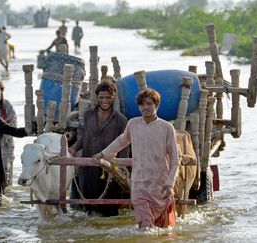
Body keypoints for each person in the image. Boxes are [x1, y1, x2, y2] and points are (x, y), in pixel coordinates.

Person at [93, 88, 179, 229]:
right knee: (145, 224)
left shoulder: (167, 128)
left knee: (161, 227)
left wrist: (170, 183)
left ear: (156, 105)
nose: (145, 107)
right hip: (139, 183)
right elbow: (122, 141)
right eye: (142, 104)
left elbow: (175, 160)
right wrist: (103, 154)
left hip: (160, 185)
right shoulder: (133, 124)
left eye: (149, 104)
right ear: (138, 107)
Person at [69, 80, 129, 217]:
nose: (104, 101)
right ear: (96, 98)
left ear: (114, 97)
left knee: (109, 213)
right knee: (89, 212)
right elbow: (83, 138)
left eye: (108, 97)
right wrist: (73, 149)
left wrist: (121, 169)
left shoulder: (121, 120)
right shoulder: (88, 115)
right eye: (101, 97)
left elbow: (124, 145)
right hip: (89, 168)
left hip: (110, 171)